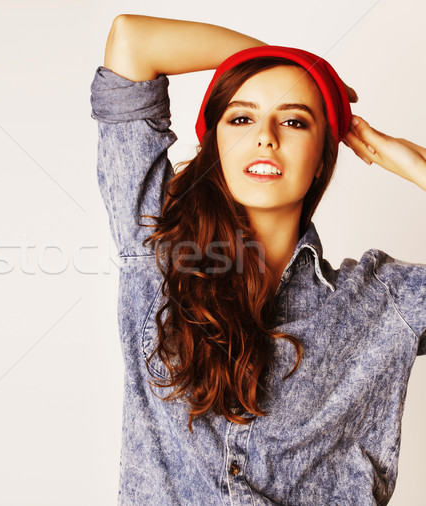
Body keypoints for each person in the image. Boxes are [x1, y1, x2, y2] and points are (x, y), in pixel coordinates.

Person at [90, 14, 426, 505]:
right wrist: (292, 64)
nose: (265, 136)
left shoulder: (384, 302)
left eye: (294, 120)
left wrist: (417, 166)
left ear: (321, 160)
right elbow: (131, 41)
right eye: (242, 118)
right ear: (216, 148)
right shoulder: (156, 248)